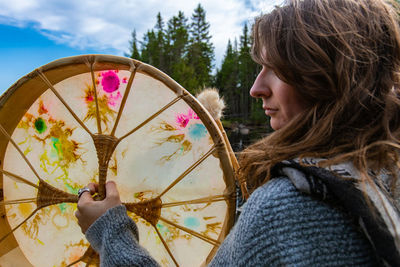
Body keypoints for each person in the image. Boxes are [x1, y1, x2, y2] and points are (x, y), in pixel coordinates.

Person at [75, 0, 400, 266]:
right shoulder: (384, 176)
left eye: (276, 69)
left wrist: (110, 233)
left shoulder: (287, 208)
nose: (256, 88)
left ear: (327, 77)